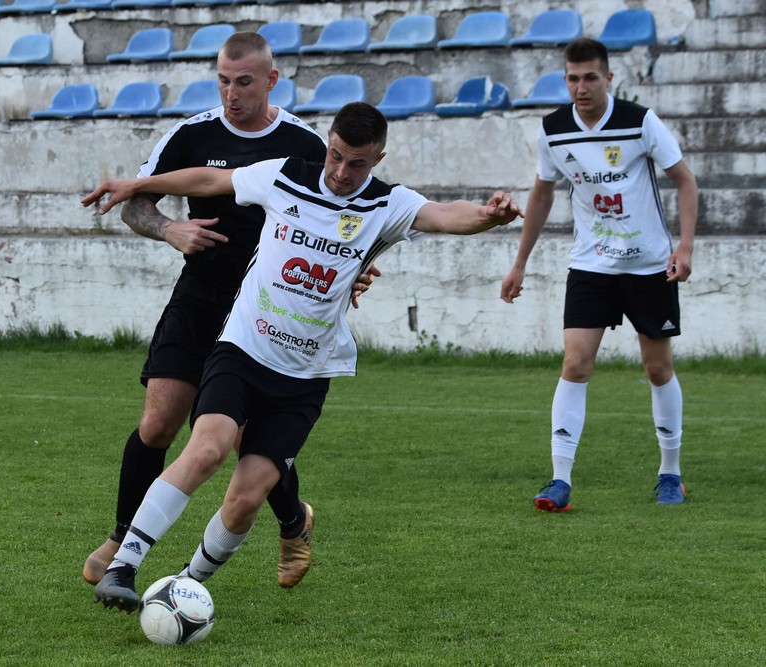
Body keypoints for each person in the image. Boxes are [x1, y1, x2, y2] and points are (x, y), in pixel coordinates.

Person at [81, 101, 523, 611]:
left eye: (355, 163)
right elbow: (210, 181)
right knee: (206, 449)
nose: (339, 171)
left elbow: (445, 215)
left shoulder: (386, 204)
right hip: (244, 348)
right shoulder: (286, 176)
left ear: (377, 158)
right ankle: (122, 569)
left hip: (305, 375)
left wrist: (491, 217)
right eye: (334, 155)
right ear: (328, 141)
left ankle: (186, 585)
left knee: (246, 498)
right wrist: (136, 186)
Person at [82, 32, 375, 591]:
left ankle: (292, 520)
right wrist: (170, 228)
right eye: (222, 80)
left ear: (271, 80)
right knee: (159, 419)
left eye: (243, 82)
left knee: (242, 438)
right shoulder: (191, 134)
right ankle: (124, 537)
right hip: (203, 294)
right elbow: (137, 201)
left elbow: (346, 220)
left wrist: (354, 267)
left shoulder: (305, 144)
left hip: (270, 308)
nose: (231, 93)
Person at [499, 37, 699, 511]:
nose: (581, 87)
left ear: (609, 78)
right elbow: (543, 195)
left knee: (657, 368)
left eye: (591, 77)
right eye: (573, 78)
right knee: (575, 364)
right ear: (565, 79)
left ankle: (670, 473)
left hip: (650, 266)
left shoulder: (639, 121)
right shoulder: (553, 129)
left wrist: (685, 247)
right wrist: (520, 262)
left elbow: (685, 180)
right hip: (591, 265)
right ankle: (559, 480)